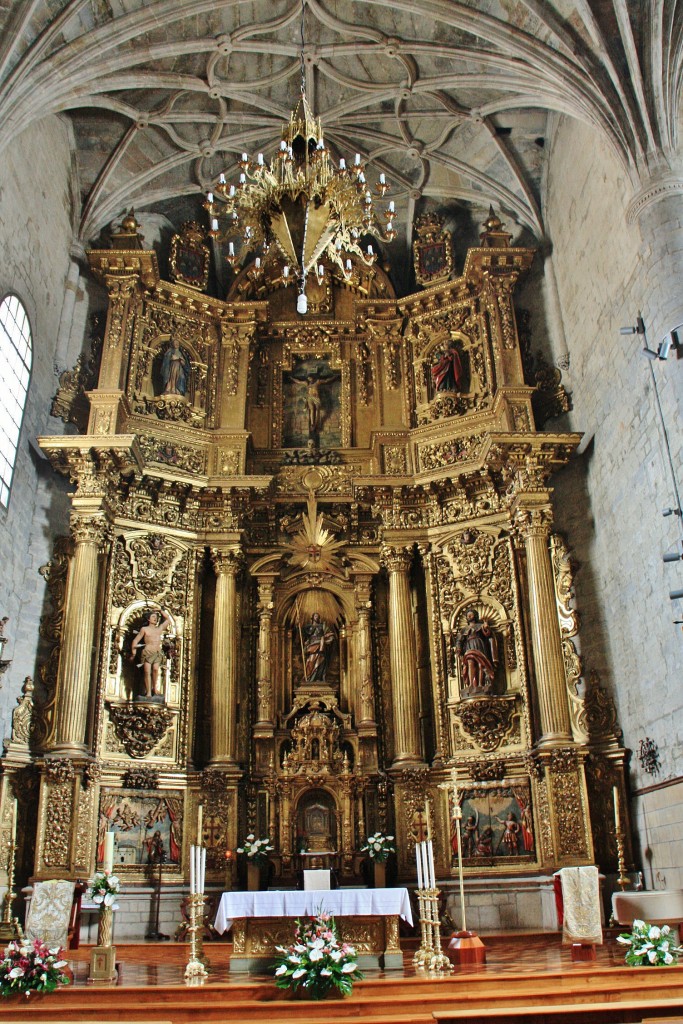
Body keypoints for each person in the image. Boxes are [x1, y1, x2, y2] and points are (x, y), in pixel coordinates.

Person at [454, 608, 498, 693]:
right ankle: (471, 684)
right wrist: (459, 649)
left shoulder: (480, 626)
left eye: (471, 614)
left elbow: (488, 635)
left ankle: (481, 684)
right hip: (469, 646)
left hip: (479, 645)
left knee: (480, 664)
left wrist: (486, 628)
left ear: (475, 616)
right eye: (468, 615)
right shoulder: (464, 630)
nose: (469, 616)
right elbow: (459, 640)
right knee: (470, 663)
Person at [130, 608, 171, 698]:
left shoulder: (159, 629)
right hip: (147, 652)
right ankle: (148, 691)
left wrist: (160, 610)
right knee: (147, 671)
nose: (155, 618)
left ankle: (154, 688)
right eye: (153, 617)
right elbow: (135, 640)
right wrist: (133, 653)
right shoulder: (144, 629)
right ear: (148, 619)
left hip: (157, 652)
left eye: (156, 617)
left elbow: (168, 619)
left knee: (156, 669)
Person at [302, 612, 335, 682]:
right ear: (312, 617)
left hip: (320, 645)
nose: (316, 617)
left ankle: (318, 678)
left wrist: (325, 638)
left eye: (317, 616)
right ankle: (308, 677)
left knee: (320, 661)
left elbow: (331, 634)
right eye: (315, 616)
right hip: (311, 645)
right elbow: (305, 634)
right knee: (310, 661)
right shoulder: (309, 627)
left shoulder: (322, 626)